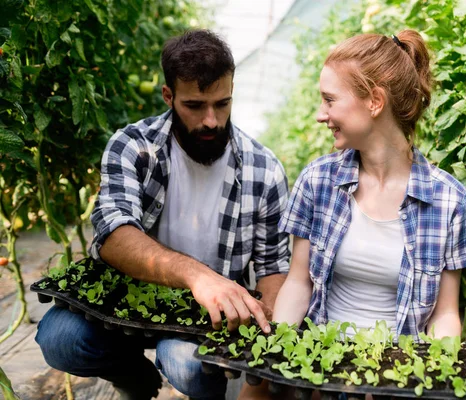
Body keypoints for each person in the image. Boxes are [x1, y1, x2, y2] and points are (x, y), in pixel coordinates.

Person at [36, 29, 290, 400]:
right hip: (126, 300)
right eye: (195, 105)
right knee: (59, 339)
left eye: (222, 104)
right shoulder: (135, 147)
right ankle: (133, 376)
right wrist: (198, 276)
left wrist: (266, 344)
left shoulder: (263, 169)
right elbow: (114, 235)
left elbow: (273, 269)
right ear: (168, 96)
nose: (211, 120)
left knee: (188, 366)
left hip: (206, 317)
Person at [239, 29, 466, 399]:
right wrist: (276, 354)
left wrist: (437, 375)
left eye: (329, 100)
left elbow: (445, 313)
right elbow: (299, 282)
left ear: (374, 101)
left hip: (395, 373)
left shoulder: (448, 200)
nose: (321, 115)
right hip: (319, 364)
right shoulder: (318, 181)